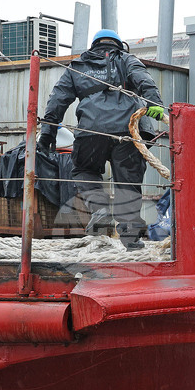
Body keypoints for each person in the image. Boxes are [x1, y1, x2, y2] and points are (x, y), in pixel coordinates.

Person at [39, 29, 165, 249]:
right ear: (119, 45)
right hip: (128, 132)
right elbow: (144, 80)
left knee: (83, 170)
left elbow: (57, 100)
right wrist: (154, 103)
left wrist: (48, 132)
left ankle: (100, 210)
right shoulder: (126, 60)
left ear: (94, 46)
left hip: (91, 132)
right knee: (128, 184)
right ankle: (132, 242)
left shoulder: (77, 66)